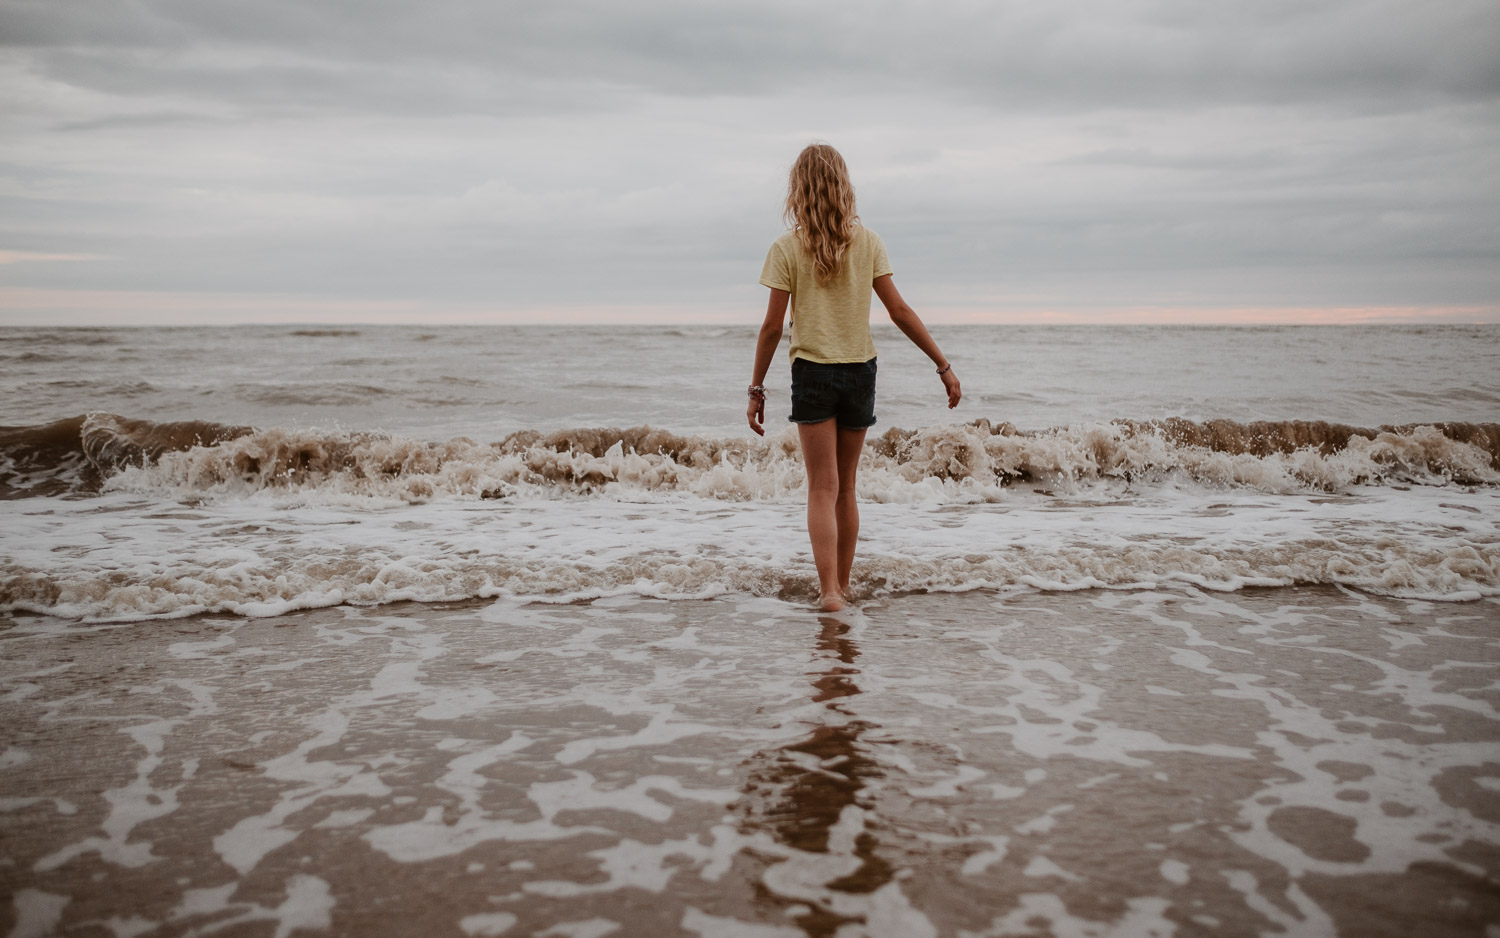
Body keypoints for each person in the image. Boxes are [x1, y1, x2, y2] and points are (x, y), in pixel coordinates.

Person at [747, 143, 961, 613]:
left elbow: (770, 328)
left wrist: (756, 388)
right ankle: (842, 588)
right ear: (844, 186)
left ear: (798, 190)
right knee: (846, 485)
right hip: (860, 373)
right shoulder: (869, 243)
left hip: (812, 375)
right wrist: (942, 364)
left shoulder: (786, 248)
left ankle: (828, 594)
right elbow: (900, 311)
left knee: (821, 487)